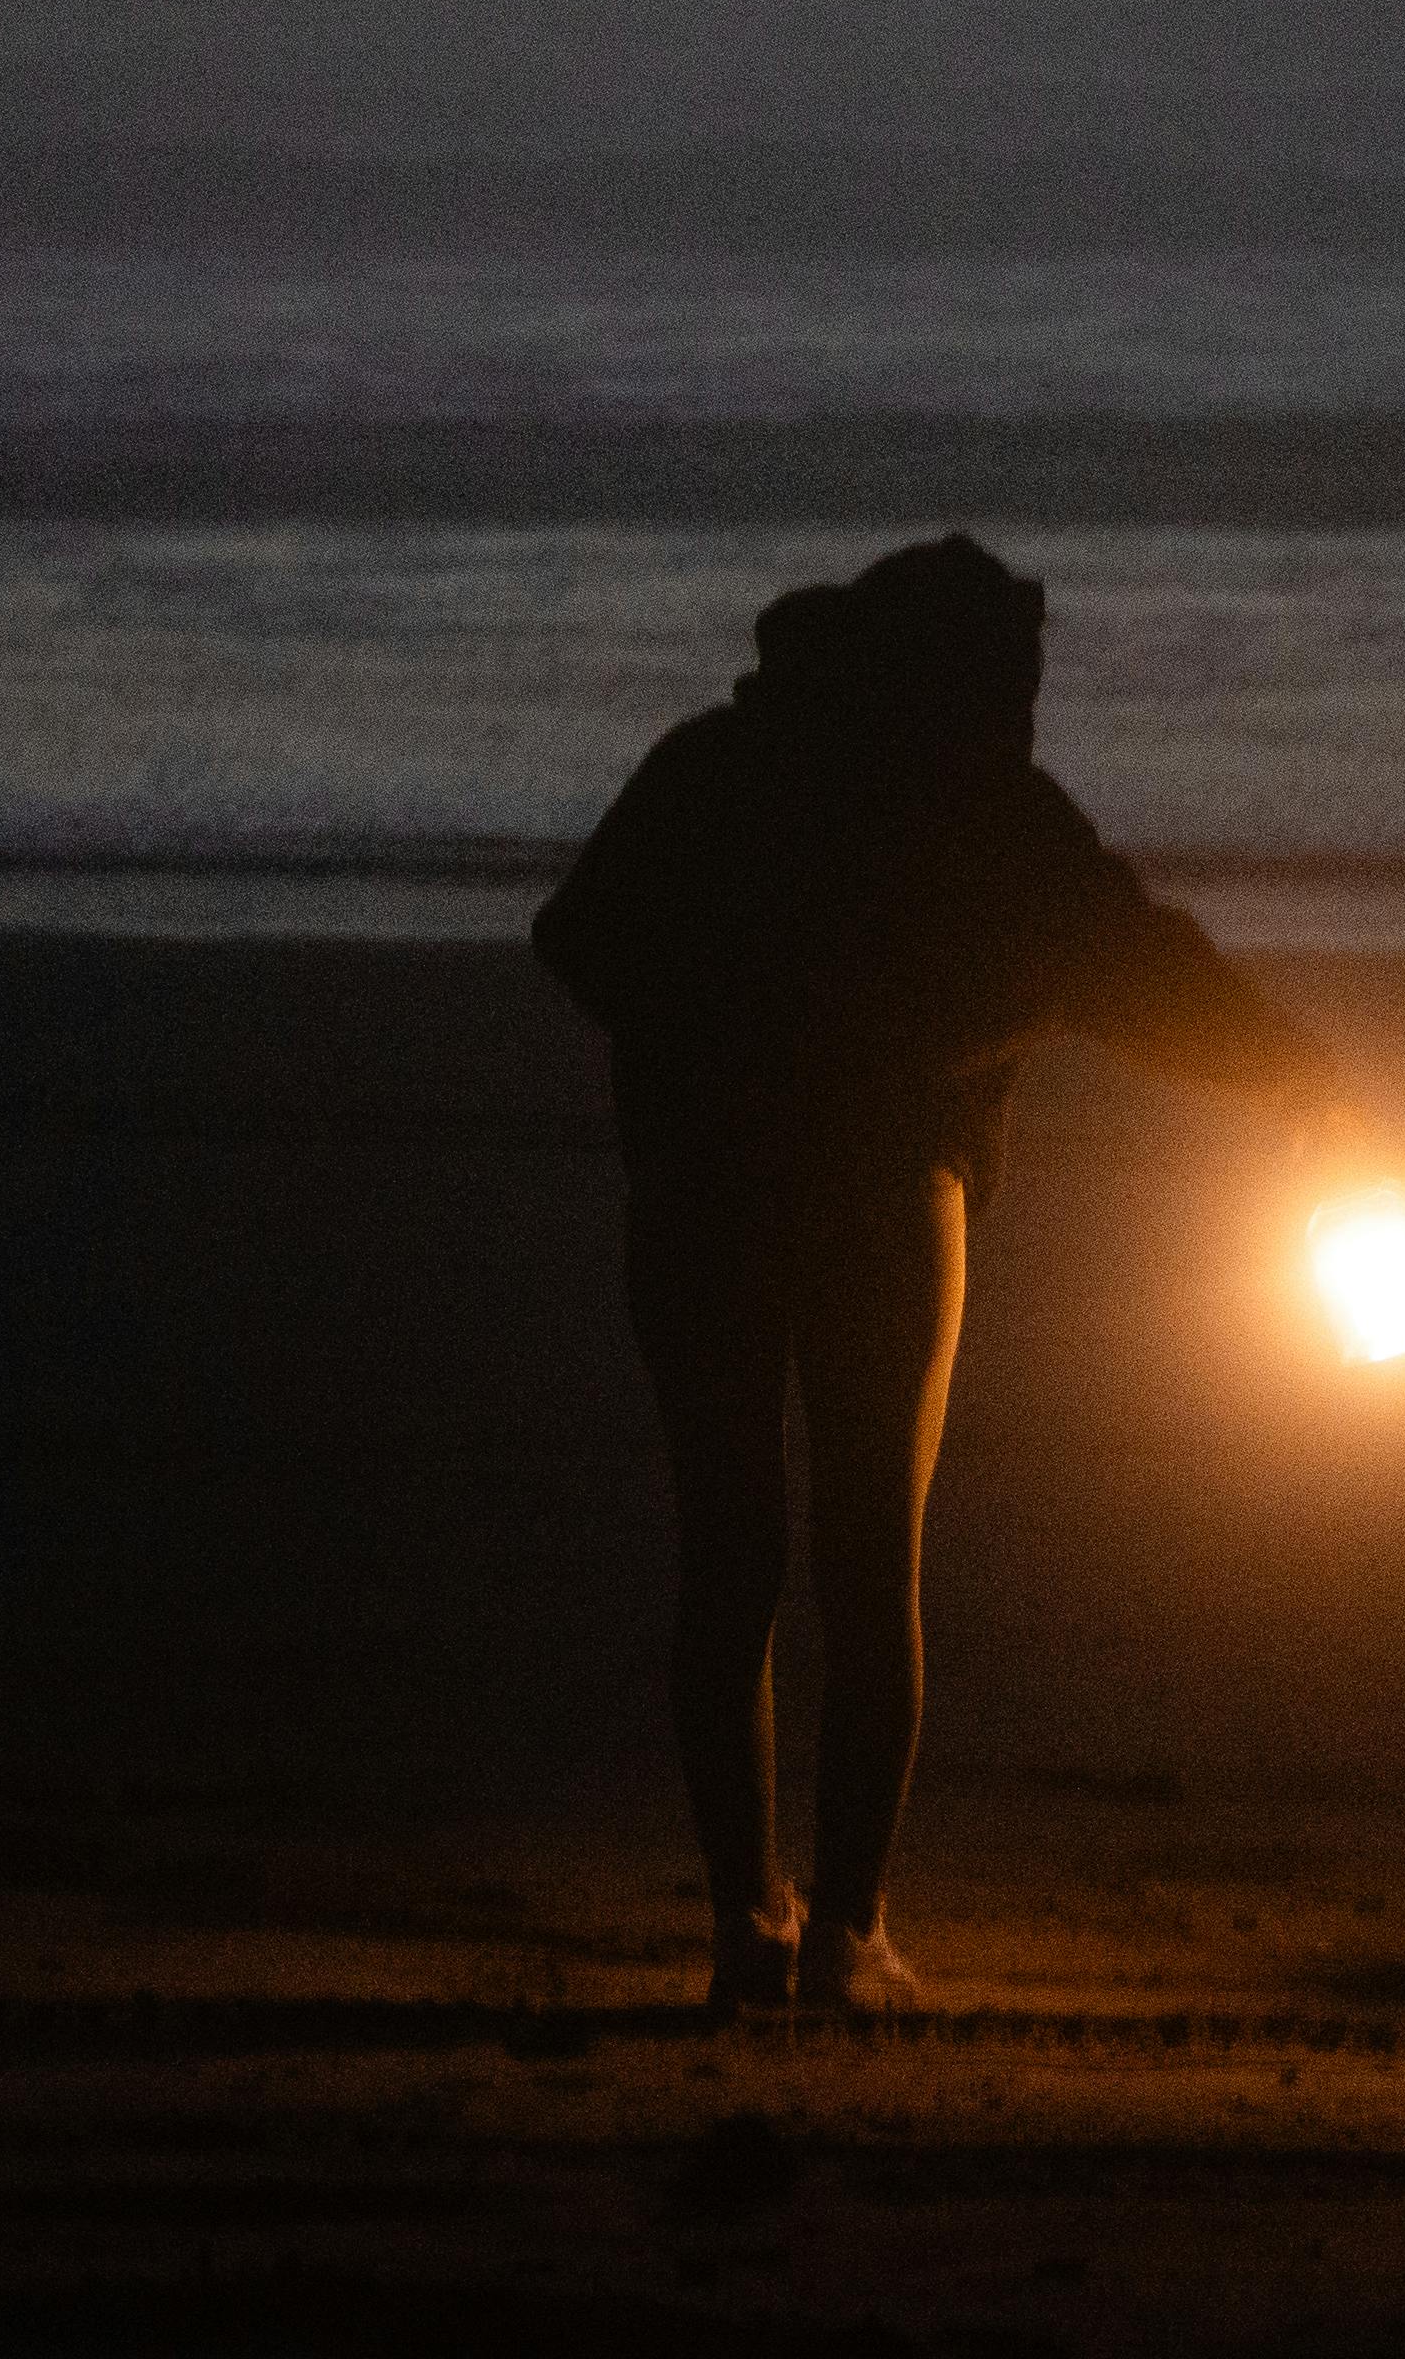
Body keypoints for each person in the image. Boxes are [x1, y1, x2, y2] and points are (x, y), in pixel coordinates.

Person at [532, 534, 1352, 2015]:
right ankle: (849, 1938)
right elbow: (1137, 965)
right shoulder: (988, 808)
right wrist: (1296, 1076)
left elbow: (577, 936)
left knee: (730, 1556)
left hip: (698, 1193)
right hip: (885, 1195)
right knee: (869, 1563)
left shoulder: (716, 762)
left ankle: (745, 1928)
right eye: (1015, 677)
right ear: (968, 674)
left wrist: (704, 1051)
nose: (1027, 706)